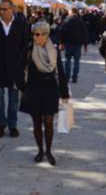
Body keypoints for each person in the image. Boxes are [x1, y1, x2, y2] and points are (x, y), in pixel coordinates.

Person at [19, 21, 70, 166]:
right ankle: (40, 150)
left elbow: (60, 71)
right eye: (33, 34)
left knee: (48, 122)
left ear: (45, 35)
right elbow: (19, 67)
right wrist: (23, 87)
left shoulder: (54, 50)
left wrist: (64, 92)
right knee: (36, 122)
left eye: (37, 34)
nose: (35, 37)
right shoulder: (29, 48)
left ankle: (48, 150)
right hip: (33, 89)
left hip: (50, 89)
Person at [0, 0, 29, 138]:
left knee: (13, 99)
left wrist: (23, 65)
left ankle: (12, 125)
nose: (1, 12)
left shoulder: (21, 24)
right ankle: (1, 123)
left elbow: (25, 46)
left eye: (4, 9)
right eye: (0, 9)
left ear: (12, 9)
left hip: (15, 69)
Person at [59, 8, 88, 84]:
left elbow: (62, 31)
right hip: (78, 44)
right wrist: (85, 45)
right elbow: (84, 33)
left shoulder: (66, 20)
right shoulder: (80, 21)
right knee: (76, 62)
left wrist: (61, 43)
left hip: (68, 44)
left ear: (71, 11)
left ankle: (67, 77)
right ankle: (74, 77)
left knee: (67, 60)